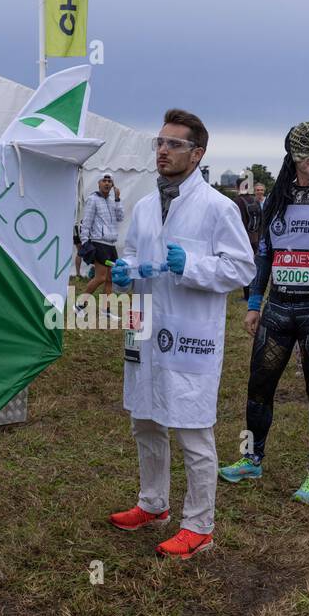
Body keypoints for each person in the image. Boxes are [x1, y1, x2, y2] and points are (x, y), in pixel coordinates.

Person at [107, 109, 254, 558]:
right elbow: (133, 253)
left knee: (192, 430)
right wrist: (124, 272)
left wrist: (191, 265)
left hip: (191, 336)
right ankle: (153, 504)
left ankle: (199, 525)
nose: (163, 151)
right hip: (145, 328)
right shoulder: (145, 205)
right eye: (160, 142)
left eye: (174, 144)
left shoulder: (217, 207)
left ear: (197, 154)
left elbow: (242, 267)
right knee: (145, 421)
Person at [217, 120, 309, 502]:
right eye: (308, 150)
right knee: (258, 388)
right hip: (278, 308)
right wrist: (254, 303)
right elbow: (264, 253)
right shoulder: (276, 198)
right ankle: (251, 457)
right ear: (293, 155)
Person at [76, 173, 123, 317]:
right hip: (99, 243)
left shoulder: (112, 200)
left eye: (109, 181)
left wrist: (118, 199)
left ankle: (105, 310)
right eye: (104, 180)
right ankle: (79, 305)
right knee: (101, 277)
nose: (107, 183)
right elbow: (86, 222)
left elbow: (120, 217)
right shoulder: (93, 199)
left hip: (111, 244)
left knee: (110, 278)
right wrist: (85, 242)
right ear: (99, 183)